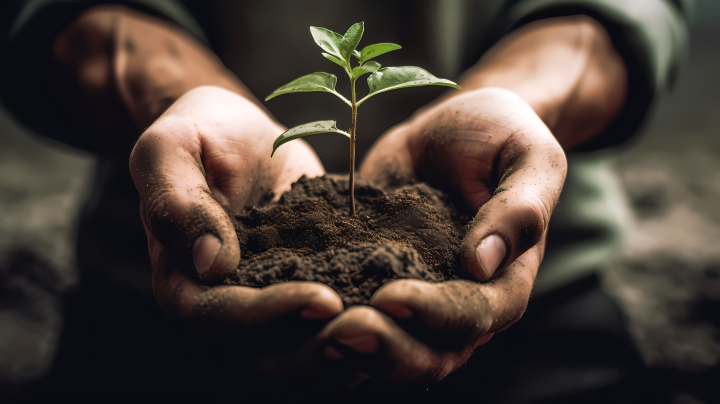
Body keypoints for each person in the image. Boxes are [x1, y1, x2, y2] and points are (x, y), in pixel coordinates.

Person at [0, 0, 690, 399]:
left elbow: (626, 15)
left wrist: (521, 102)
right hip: (156, 289)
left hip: (541, 296)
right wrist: (173, 98)